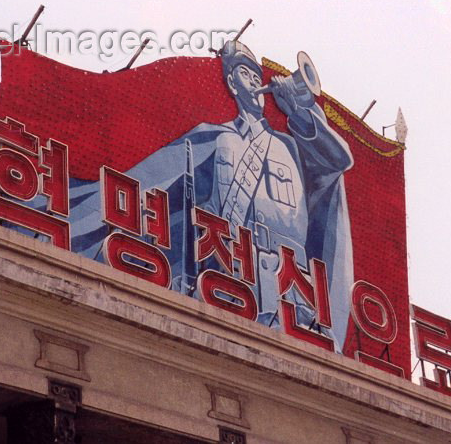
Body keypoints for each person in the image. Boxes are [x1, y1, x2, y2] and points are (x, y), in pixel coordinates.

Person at [72, 40, 355, 351]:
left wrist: (299, 113)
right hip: (230, 279)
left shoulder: (289, 146)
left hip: (289, 291)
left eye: (256, 76)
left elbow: (337, 162)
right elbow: (143, 184)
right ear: (231, 83)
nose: (254, 82)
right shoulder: (213, 136)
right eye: (245, 74)